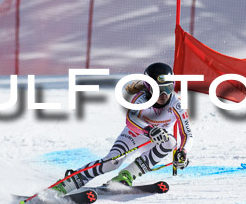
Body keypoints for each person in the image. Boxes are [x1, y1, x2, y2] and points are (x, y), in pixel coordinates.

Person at [53, 62, 192, 195]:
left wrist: (183, 152)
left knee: (171, 142)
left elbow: (187, 134)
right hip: (133, 136)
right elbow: (131, 120)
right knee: (111, 163)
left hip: (155, 140)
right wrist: (150, 130)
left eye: (168, 88)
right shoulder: (140, 99)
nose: (164, 94)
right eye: (159, 89)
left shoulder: (177, 104)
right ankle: (68, 183)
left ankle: (126, 176)